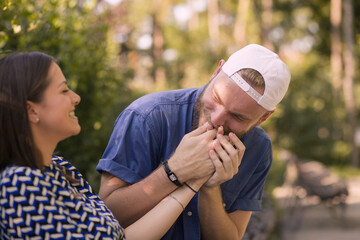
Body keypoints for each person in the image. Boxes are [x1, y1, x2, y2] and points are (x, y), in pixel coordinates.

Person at [0, 51, 225, 239]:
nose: (76, 97)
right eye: (63, 90)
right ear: (32, 110)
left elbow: (123, 237)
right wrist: (175, 170)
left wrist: (193, 181)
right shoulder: (20, 184)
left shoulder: (59, 168)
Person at [96, 43, 291, 240]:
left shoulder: (258, 147)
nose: (216, 119)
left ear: (263, 117)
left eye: (238, 117)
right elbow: (106, 217)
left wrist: (210, 188)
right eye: (217, 98)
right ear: (216, 72)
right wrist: (173, 172)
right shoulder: (146, 117)